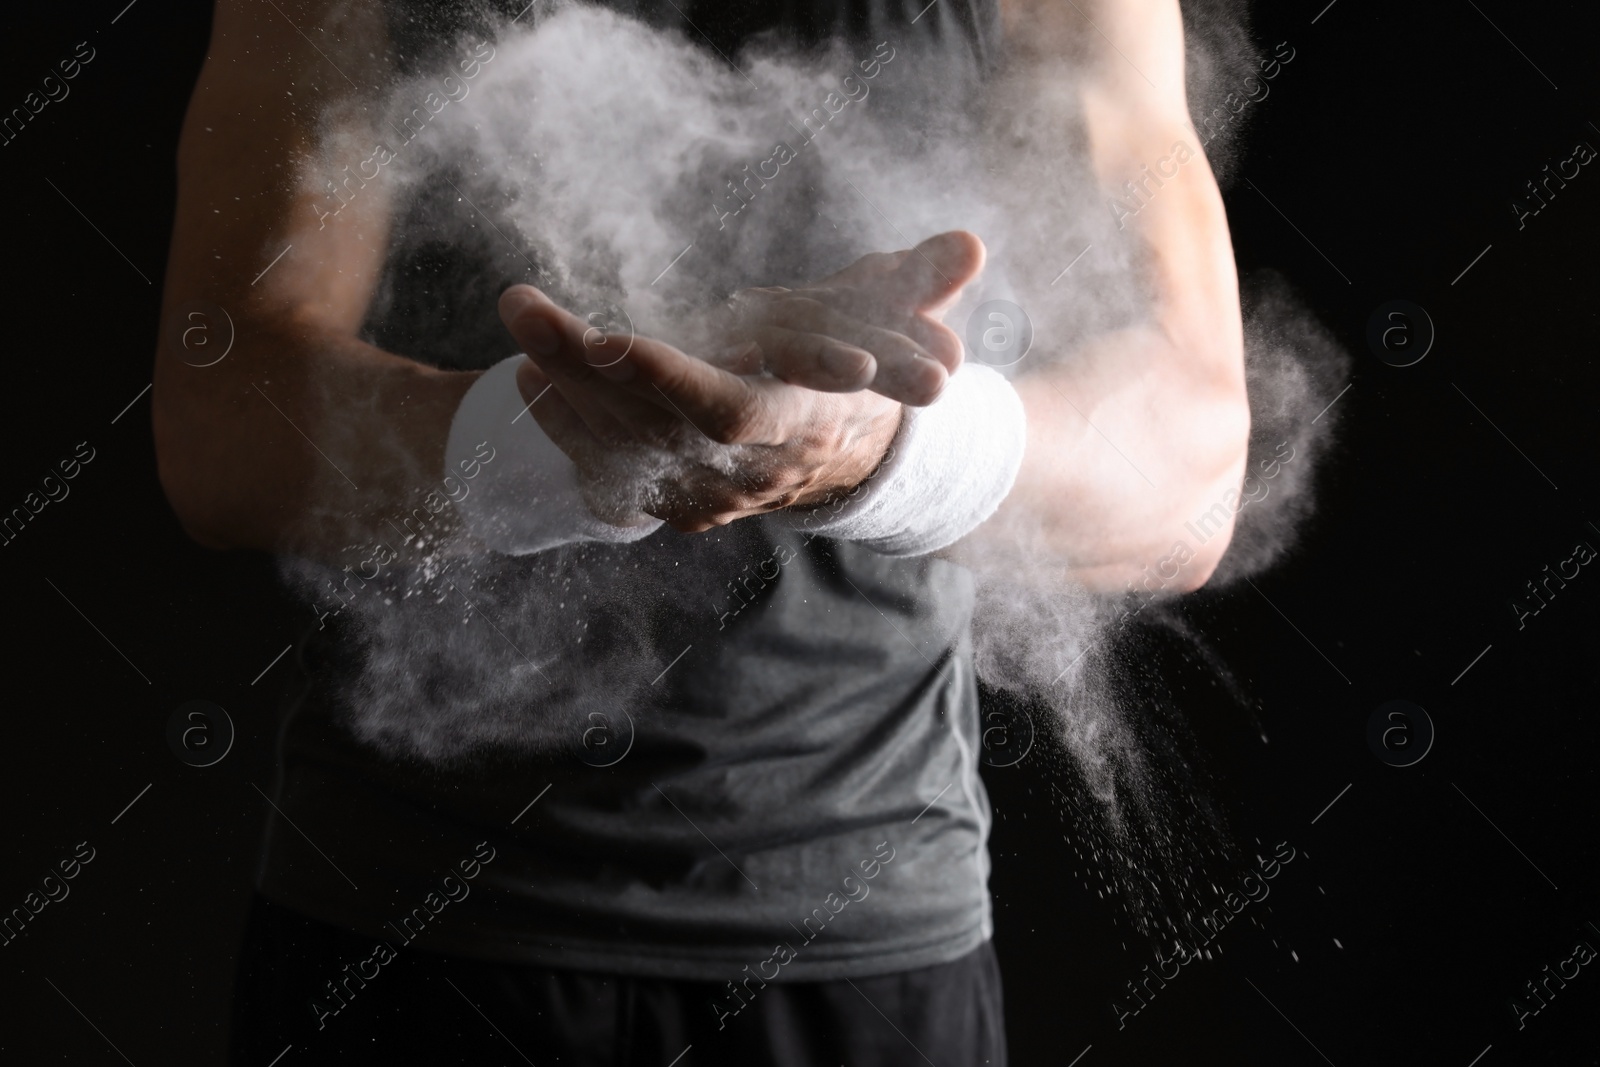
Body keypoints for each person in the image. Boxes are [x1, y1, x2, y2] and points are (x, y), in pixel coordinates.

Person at [153, 0, 1249, 1063]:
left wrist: (881, 456)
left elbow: (1190, 462)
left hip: (859, 948)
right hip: (405, 929)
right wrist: (570, 454)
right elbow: (220, 417)